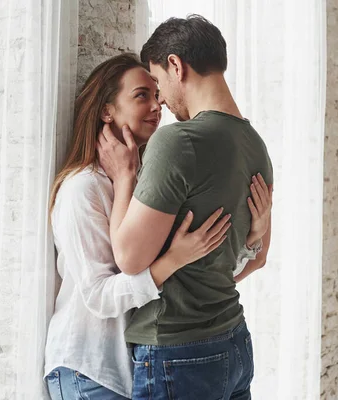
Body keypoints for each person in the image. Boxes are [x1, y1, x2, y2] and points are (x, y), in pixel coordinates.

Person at [44, 53, 271, 400]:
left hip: (134, 366)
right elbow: (98, 296)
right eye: (141, 96)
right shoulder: (82, 189)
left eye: (155, 94)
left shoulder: (147, 184)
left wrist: (254, 236)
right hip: (89, 368)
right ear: (107, 111)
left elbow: (201, 266)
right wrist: (170, 261)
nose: (157, 105)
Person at [97, 15, 273, 400]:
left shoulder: (178, 142)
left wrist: (125, 177)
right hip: (234, 340)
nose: (159, 99)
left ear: (176, 65)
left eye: (158, 83)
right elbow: (257, 258)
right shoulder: (255, 143)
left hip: (178, 349)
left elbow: (128, 257)